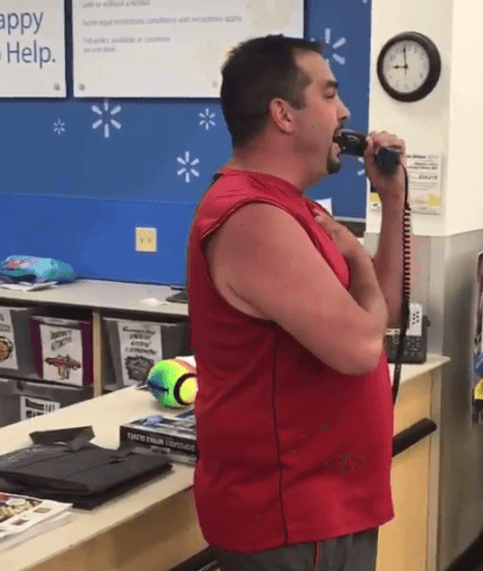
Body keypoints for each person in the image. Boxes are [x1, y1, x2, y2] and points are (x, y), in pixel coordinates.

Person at [185, 35, 409, 571]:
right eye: (330, 95)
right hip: (289, 515)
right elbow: (360, 346)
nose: (346, 112)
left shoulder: (291, 207)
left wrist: (394, 200)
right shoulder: (253, 218)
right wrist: (355, 258)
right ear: (284, 114)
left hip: (331, 508)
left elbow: (386, 311)